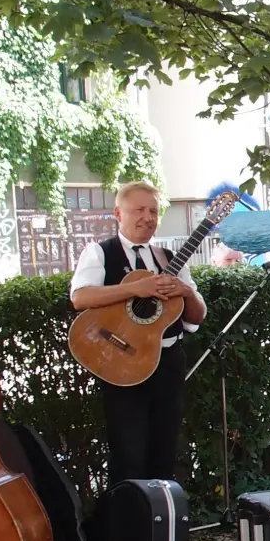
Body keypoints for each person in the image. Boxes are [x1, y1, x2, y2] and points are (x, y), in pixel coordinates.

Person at [70, 181, 207, 487]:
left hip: (168, 363)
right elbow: (80, 297)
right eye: (139, 210)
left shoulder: (169, 258)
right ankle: (127, 529)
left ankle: (159, 527)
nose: (148, 217)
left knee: (164, 452)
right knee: (127, 456)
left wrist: (185, 291)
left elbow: (197, 317)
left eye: (154, 211)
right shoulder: (99, 252)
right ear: (118, 213)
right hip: (121, 365)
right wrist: (135, 288)